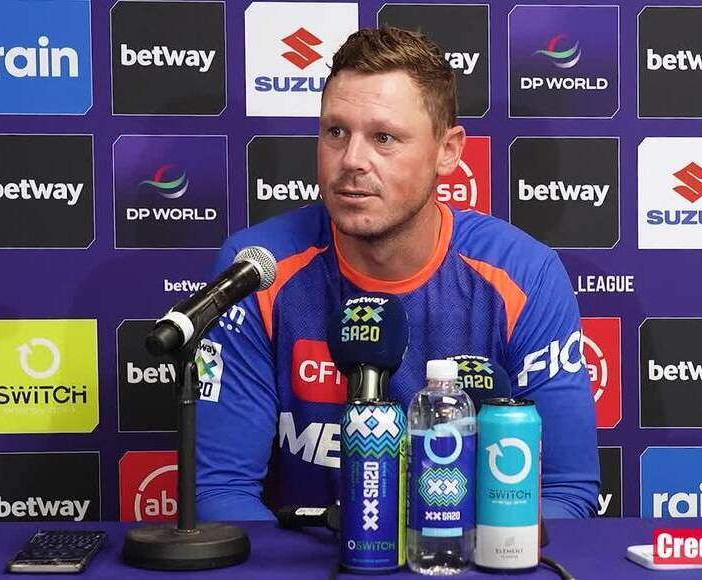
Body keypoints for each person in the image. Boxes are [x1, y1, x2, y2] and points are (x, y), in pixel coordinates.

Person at [196, 27, 599, 521]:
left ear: (448, 151)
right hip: (307, 556)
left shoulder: (524, 274)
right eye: (335, 132)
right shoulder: (256, 270)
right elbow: (221, 491)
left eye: (383, 138)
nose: (352, 161)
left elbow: (564, 491)